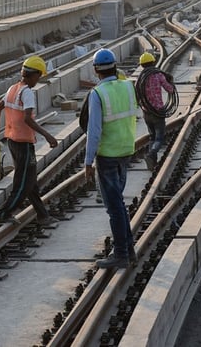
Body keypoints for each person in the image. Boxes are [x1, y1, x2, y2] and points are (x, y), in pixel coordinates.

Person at [83, 48, 139, 268]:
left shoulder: (97, 94)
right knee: (118, 204)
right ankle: (129, 250)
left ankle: (121, 254)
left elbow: (94, 131)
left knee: (114, 207)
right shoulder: (128, 87)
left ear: (96, 70)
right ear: (115, 66)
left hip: (107, 155)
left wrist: (88, 162)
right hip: (126, 151)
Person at [0, 55, 60, 225]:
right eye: (39, 76)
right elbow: (27, 119)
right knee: (23, 184)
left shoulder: (13, 88)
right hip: (23, 144)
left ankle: (42, 215)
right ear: (33, 75)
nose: (39, 79)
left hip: (12, 141)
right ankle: (3, 213)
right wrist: (48, 135)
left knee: (30, 182)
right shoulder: (26, 92)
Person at [135, 52, 175, 171]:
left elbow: (137, 94)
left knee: (152, 137)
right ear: (153, 62)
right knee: (159, 138)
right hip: (158, 111)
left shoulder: (140, 78)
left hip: (146, 112)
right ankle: (152, 154)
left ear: (142, 65)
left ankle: (153, 162)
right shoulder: (158, 75)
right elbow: (170, 89)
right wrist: (170, 81)